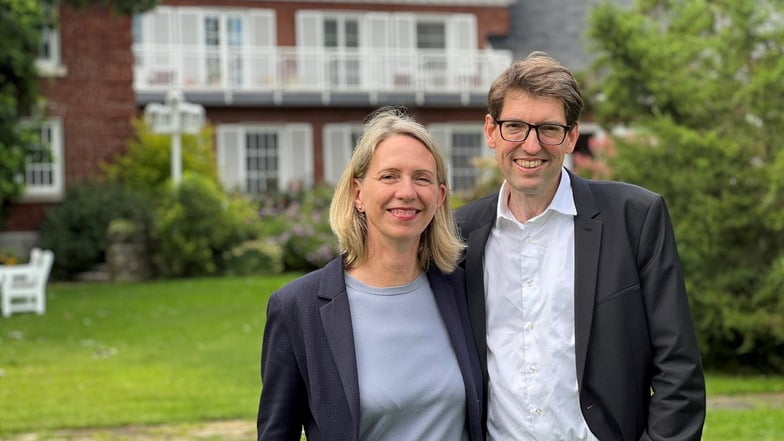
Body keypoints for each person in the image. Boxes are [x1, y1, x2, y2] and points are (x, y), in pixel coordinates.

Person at [455, 51, 706, 440]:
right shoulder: (459, 235)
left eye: (549, 129)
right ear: (491, 130)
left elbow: (679, 371)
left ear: (572, 135)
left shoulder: (635, 218)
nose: (531, 145)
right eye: (515, 126)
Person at [257, 106, 483, 441]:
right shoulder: (298, 309)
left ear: (439, 197)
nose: (406, 192)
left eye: (421, 178)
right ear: (358, 193)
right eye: (389, 176)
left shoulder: (465, 291)